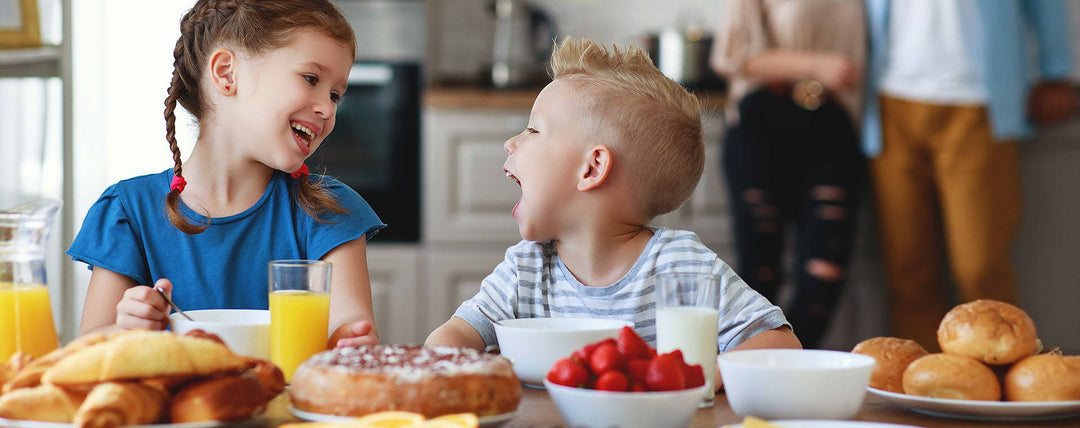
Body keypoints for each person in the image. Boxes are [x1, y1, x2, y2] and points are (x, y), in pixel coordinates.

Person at [425, 38, 801, 365]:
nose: (511, 143)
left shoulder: (682, 265)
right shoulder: (525, 269)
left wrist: (707, 375)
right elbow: (452, 337)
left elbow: (781, 344)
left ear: (592, 168)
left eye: (534, 129)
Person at [68, 0, 385, 349]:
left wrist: (348, 341)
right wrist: (125, 329)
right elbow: (84, 350)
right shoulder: (129, 212)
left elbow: (347, 328)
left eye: (336, 95)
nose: (327, 108)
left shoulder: (329, 211)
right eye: (311, 79)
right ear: (227, 74)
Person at [862, 0, 1076, 350]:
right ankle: (921, 376)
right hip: (890, 97)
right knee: (908, 268)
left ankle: (996, 372)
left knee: (979, 267)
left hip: (978, 100)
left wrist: (1057, 70)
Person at [710, 0, 868, 349]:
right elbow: (730, 56)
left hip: (833, 125)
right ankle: (750, 372)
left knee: (823, 281)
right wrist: (817, 65)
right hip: (764, 121)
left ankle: (783, 365)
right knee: (759, 275)